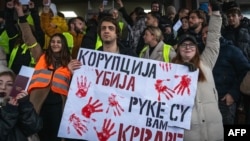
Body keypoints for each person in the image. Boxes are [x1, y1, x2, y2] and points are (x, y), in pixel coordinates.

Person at [171, 1, 223, 140]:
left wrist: (216, 13)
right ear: (178, 50)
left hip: (214, 130)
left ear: (196, 48)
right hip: (189, 132)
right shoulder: (171, 70)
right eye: (183, 45)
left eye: (191, 44)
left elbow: (213, 38)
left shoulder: (206, 62)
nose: (188, 47)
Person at [27, 33, 81, 141]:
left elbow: (77, 88)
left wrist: (71, 72)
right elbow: (29, 38)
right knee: (38, 135)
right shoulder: (41, 56)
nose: (55, 44)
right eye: (53, 41)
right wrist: (21, 17)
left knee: (55, 136)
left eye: (58, 42)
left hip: (58, 107)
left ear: (64, 44)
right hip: (39, 106)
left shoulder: (71, 62)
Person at [202, 25, 250, 125]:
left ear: (217, 34)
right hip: (206, 102)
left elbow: (246, 72)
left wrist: (233, 94)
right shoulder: (201, 53)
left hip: (224, 102)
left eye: (207, 32)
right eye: (202, 34)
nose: (204, 36)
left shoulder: (232, 50)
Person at [0, 64, 42, 141]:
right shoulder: (10, 108)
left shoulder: (16, 104)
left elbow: (34, 128)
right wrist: (9, 112)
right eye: (0, 83)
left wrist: (24, 104)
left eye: (9, 84)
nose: (3, 87)